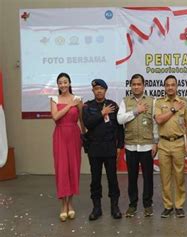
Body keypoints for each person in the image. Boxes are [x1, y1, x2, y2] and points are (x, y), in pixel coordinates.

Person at [83, 79, 124, 220]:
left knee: (113, 179)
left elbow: (119, 128)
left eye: (101, 88)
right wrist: (102, 113)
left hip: (110, 147)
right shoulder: (88, 106)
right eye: (96, 89)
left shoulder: (113, 105)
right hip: (94, 148)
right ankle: (96, 208)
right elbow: (88, 123)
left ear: (106, 90)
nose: (99, 91)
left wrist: (120, 146)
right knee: (95, 179)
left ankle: (115, 207)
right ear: (93, 91)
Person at [117, 73, 157, 218]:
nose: (136, 87)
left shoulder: (152, 101)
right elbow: (120, 119)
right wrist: (135, 111)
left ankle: (147, 205)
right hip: (131, 146)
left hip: (147, 146)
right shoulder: (125, 101)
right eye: (133, 84)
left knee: (148, 178)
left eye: (139, 84)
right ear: (131, 86)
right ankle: (132, 205)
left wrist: (155, 142)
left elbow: (155, 124)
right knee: (132, 178)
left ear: (143, 85)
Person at [50, 72, 85, 222]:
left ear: (69, 83)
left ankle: (70, 203)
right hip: (60, 135)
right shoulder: (54, 99)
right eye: (60, 83)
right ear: (57, 85)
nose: (63, 85)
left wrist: (84, 135)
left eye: (65, 82)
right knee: (62, 169)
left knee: (73, 169)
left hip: (74, 135)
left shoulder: (78, 99)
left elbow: (82, 120)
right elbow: (55, 117)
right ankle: (63, 205)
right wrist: (69, 105)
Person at [155, 75, 187, 218]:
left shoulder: (184, 102)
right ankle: (168, 206)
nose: (170, 87)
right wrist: (173, 110)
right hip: (163, 144)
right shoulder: (159, 102)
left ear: (176, 87)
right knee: (165, 177)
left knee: (179, 176)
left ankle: (179, 205)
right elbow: (158, 120)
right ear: (165, 87)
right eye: (167, 85)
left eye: (173, 85)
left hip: (179, 143)